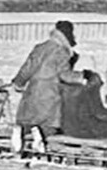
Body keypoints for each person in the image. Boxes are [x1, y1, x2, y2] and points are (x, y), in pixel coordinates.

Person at [11, 20, 84, 153]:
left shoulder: (40, 47)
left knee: (30, 118)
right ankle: (41, 138)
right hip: (51, 92)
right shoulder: (62, 52)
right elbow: (64, 74)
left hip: (34, 90)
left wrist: (18, 82)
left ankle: (22, 130)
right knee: (49, 125)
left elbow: (28, 67)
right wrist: (80, 77)